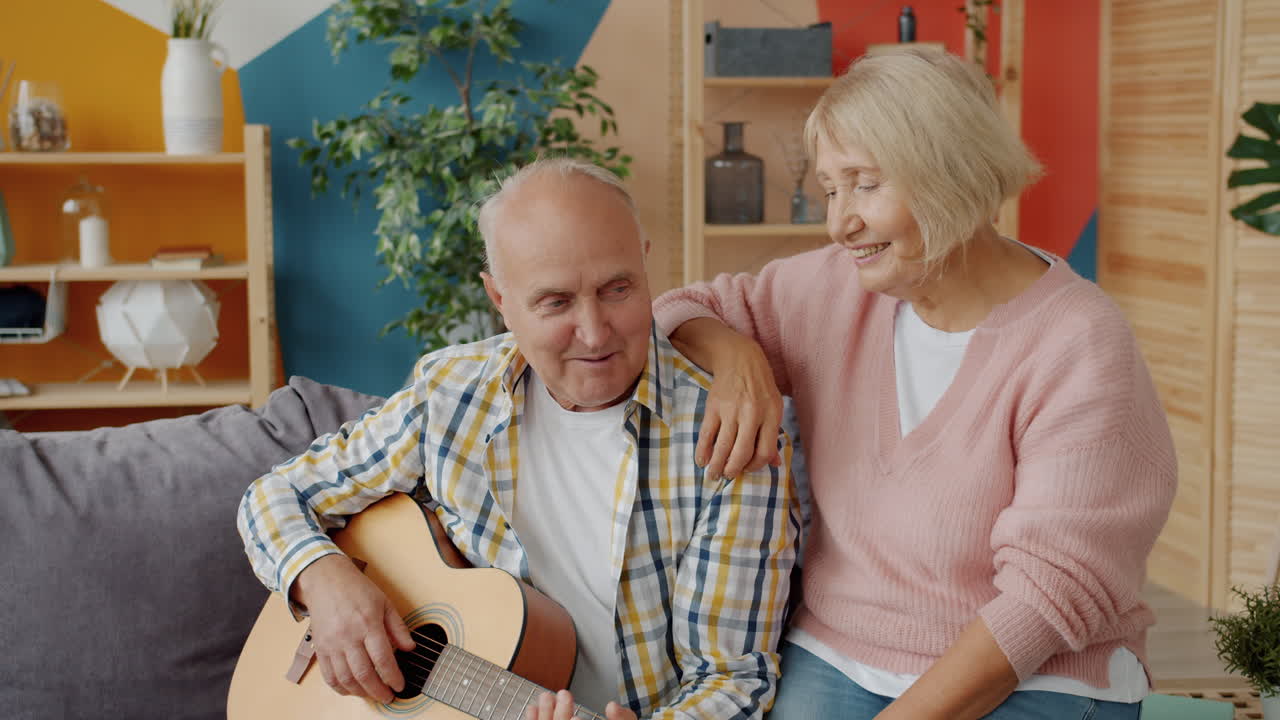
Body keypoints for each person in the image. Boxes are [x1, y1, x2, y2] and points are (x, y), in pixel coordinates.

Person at [652, 46, 1177, 720]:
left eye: (864, 184)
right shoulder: (834, 290)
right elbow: (675, 310)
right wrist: (736, 357)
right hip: (841, 648)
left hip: (1037, 669)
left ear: (948, 171)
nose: (839, 222)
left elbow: (1046, 599)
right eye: (830, 188)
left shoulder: (1078, 342)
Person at [237, 157, 800, 720]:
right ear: (500, 301)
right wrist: (323, 581)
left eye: (617, 289)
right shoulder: (450, 393)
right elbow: (274, 496)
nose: (594, 330)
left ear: (646, 266)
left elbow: (730, 679)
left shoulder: (730, 435)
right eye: (555, 302)